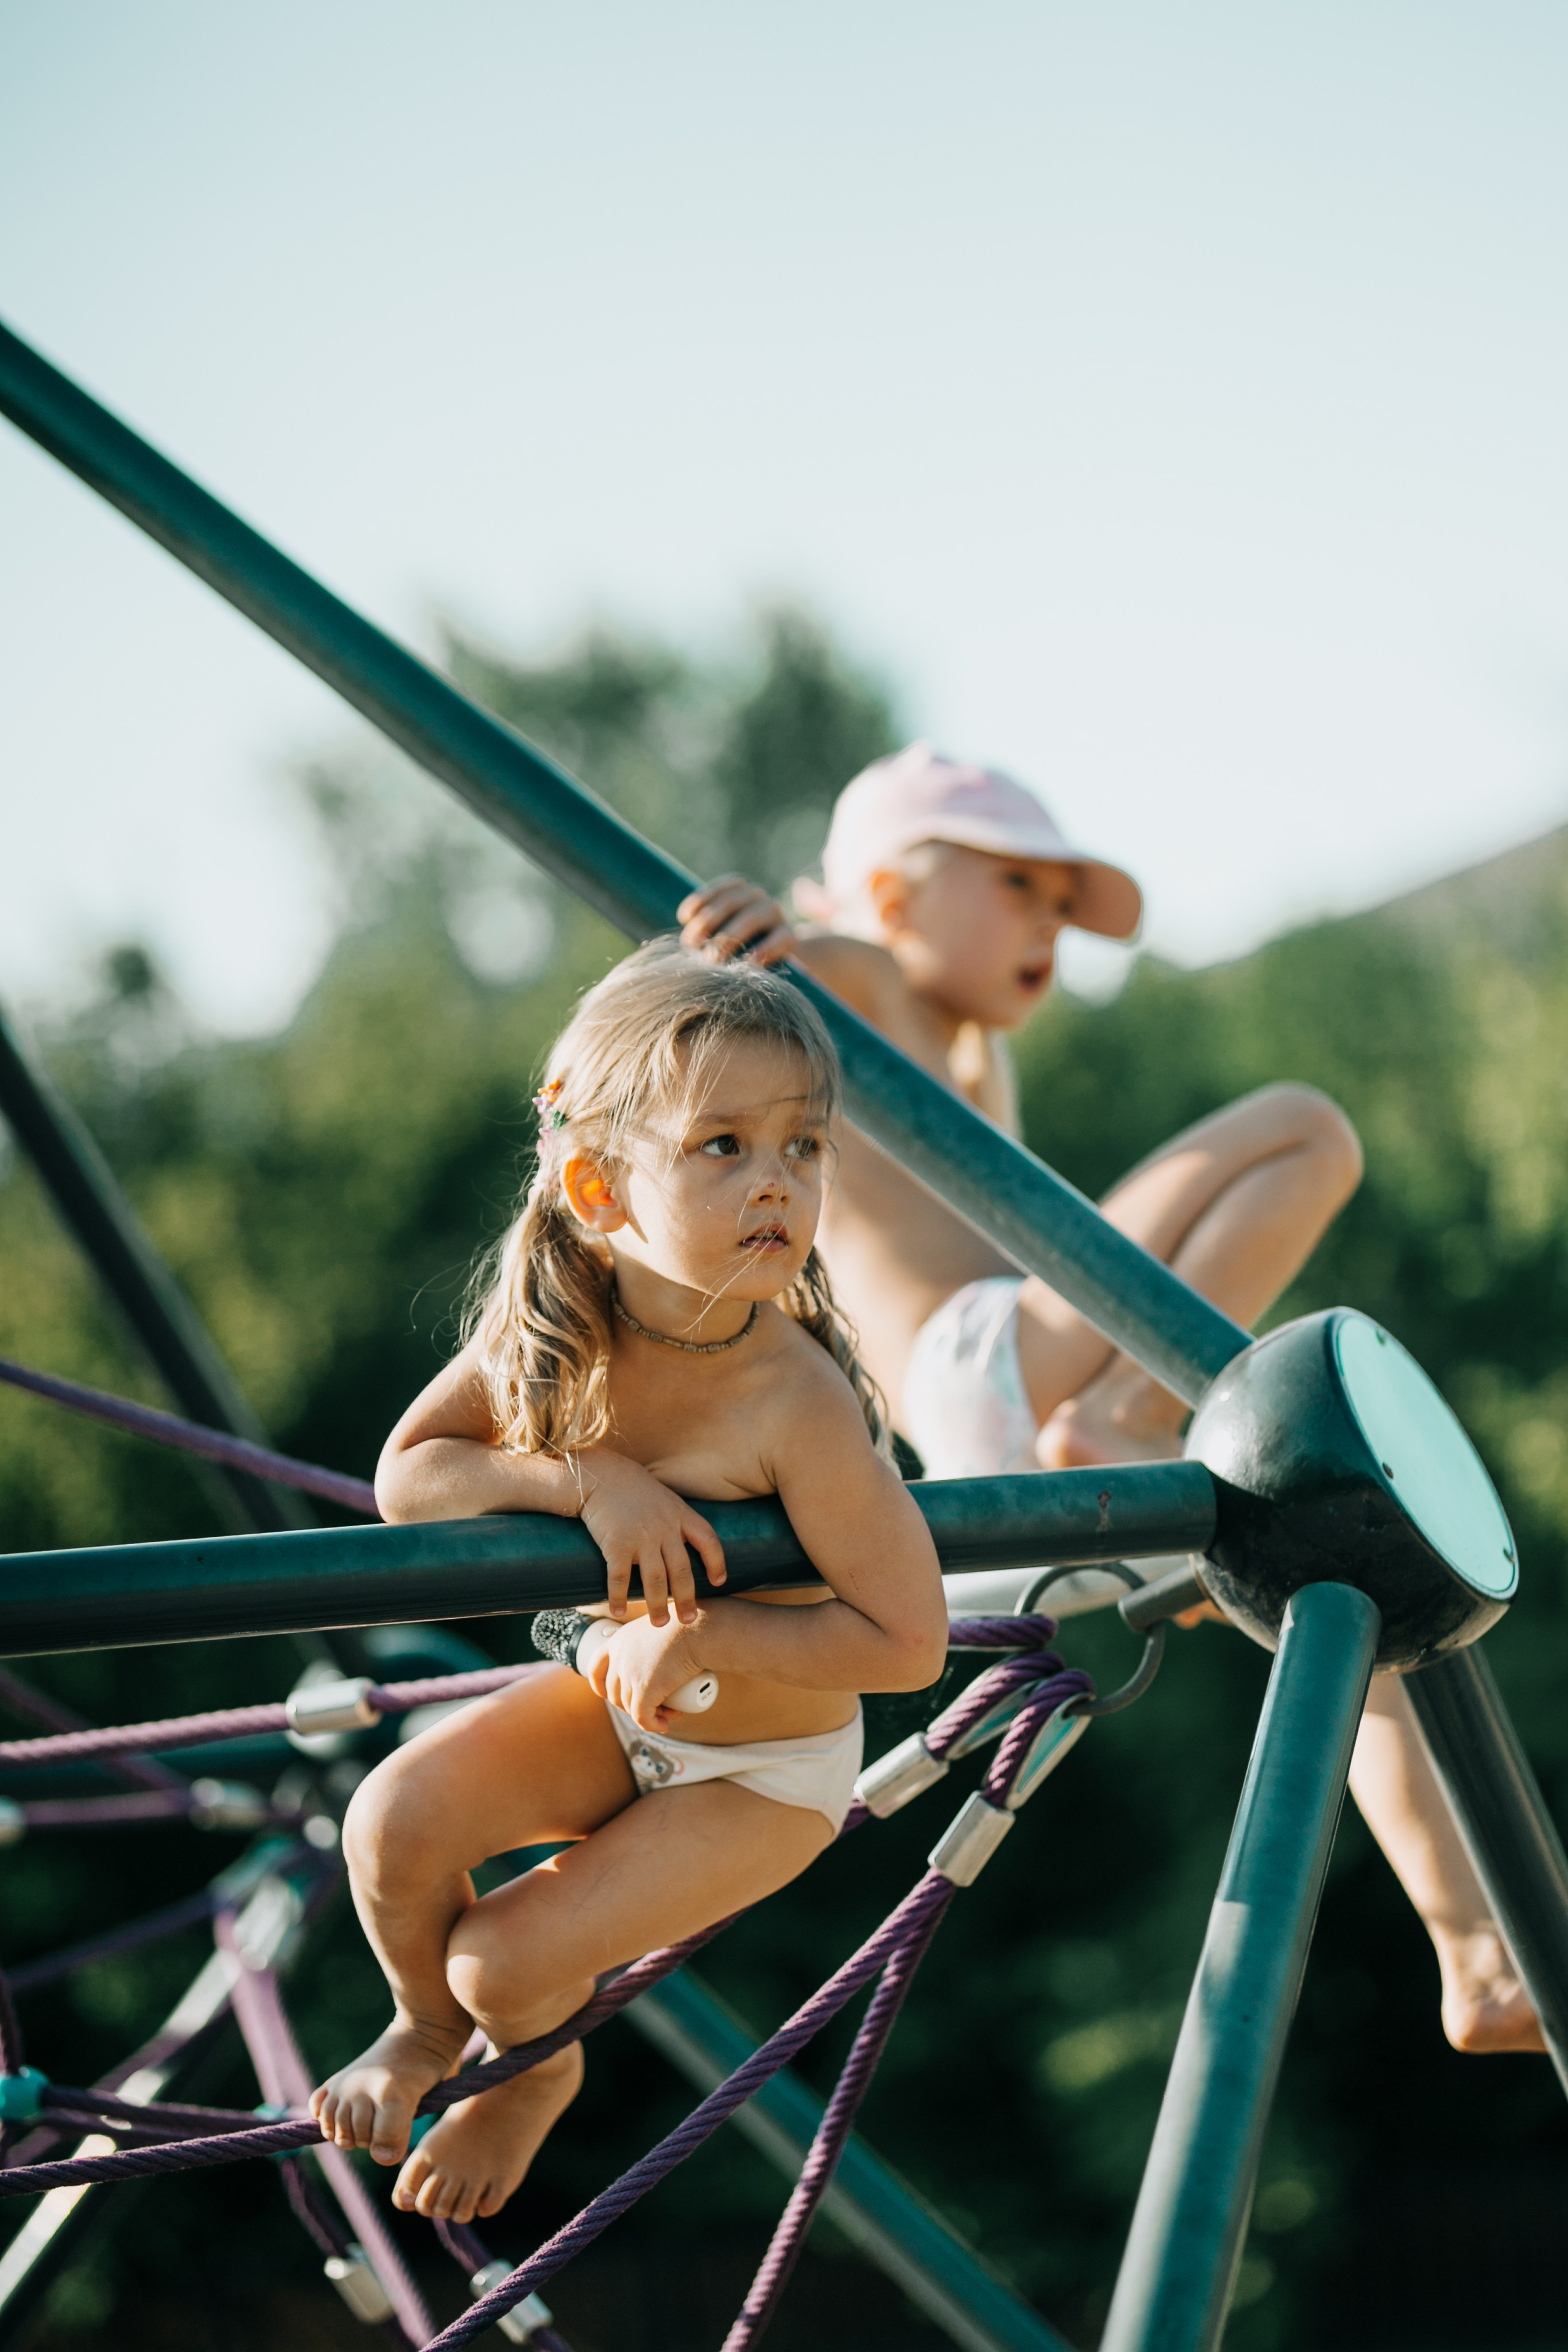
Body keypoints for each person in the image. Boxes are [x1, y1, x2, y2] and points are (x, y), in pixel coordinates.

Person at [679, 741, 1546, 2059]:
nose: (1047, 927)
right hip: (985, 1371)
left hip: (1021, 1439)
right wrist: (739, 935)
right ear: (897, 898)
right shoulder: (848, 976)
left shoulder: (971, 1060)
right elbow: (720, 1001)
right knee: (1303, 1127)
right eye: (1018, 888)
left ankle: (1469, 1946)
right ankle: (1133, 1419)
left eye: (1059, 907)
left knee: (1344, 1582)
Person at [309, 941, 948, 2225]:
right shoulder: (559, 1332)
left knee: (504, 1957)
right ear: (598, 1187)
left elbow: (907, 1642)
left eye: (802, 1148)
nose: (776, 1182)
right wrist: (584, 1479)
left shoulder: (793, 1398)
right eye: (722, 1145)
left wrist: (714, 1635)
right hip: (617, 1714)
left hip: (758, 1778)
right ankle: (424, 2032)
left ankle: (526, 2073)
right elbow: (412, 1472)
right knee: (387, 1823)